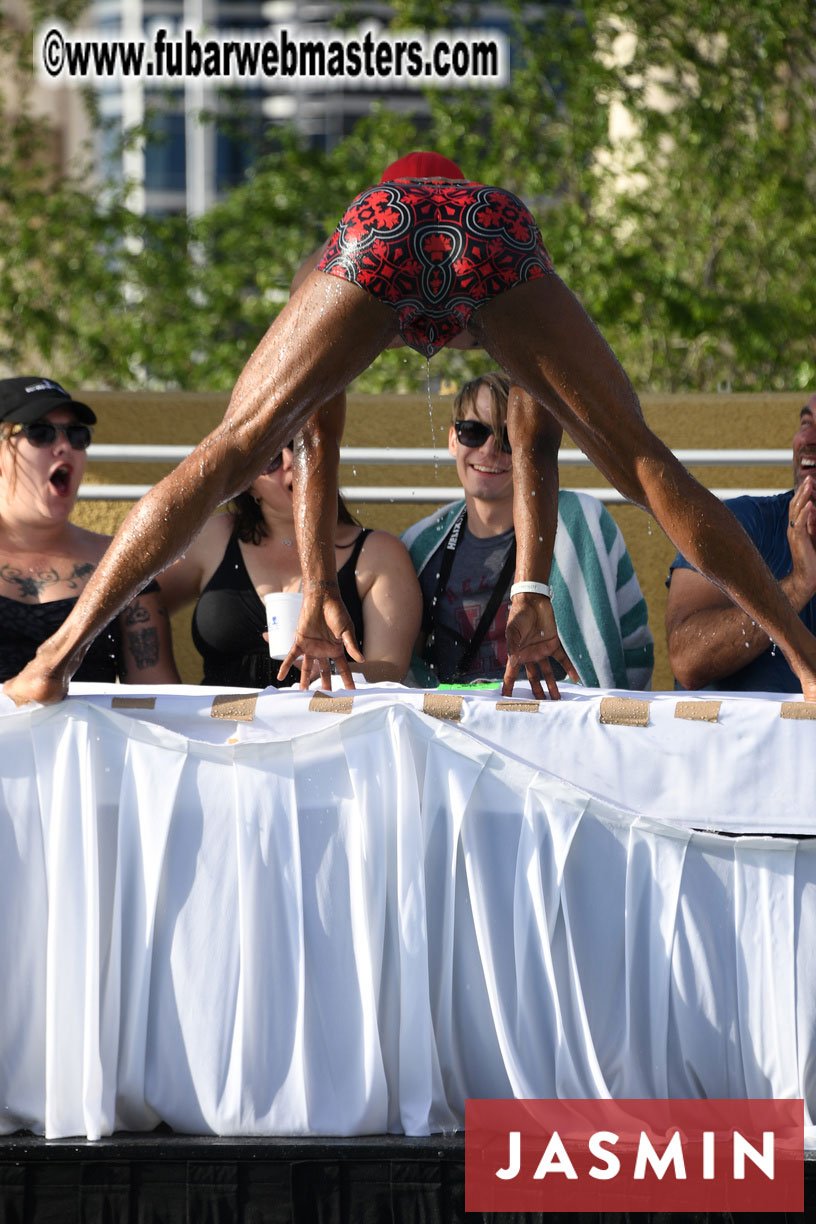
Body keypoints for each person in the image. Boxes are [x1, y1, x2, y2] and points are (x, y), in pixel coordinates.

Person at [7, 151, 816, 708]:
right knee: (642, 463)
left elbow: (313, 435)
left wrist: (321, 587)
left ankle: (56, 657)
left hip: (375, 236)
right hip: (499, 238)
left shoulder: (351, 244)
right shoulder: (493, 234)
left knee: (230, 449)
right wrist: (531, 592)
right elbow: (536, 440)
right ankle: (806, 663)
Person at [402, 371, 654, 689]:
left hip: (560, 724)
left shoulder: (583, 521)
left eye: (509, 439)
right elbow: (407, 661)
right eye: (474, 432)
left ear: (529, 448)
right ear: (453, 439)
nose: (490, 450)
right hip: (455, 728)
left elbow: (635, 649)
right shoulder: (420, 545)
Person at [156, 439, 421, 686]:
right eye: (271, 458)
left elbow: (391, 669)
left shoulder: (378, 552)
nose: (290, 461)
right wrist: (162, 684)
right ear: (249, 483)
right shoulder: (214, 537)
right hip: (223, 731)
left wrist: (329, 672)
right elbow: (141, 599)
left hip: (329, 730)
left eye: (300, 446)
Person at [0, 376, 179, 685]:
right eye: (40, 433)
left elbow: (157, 698)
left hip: (87, 734)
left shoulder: (121, 562)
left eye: (77, 435)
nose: (64, 447)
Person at [666, 393, 816, 692]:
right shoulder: (738, 523)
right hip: (723, 739)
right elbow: (686, 659)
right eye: (805, 423)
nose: (808, 439)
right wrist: (798, 586)